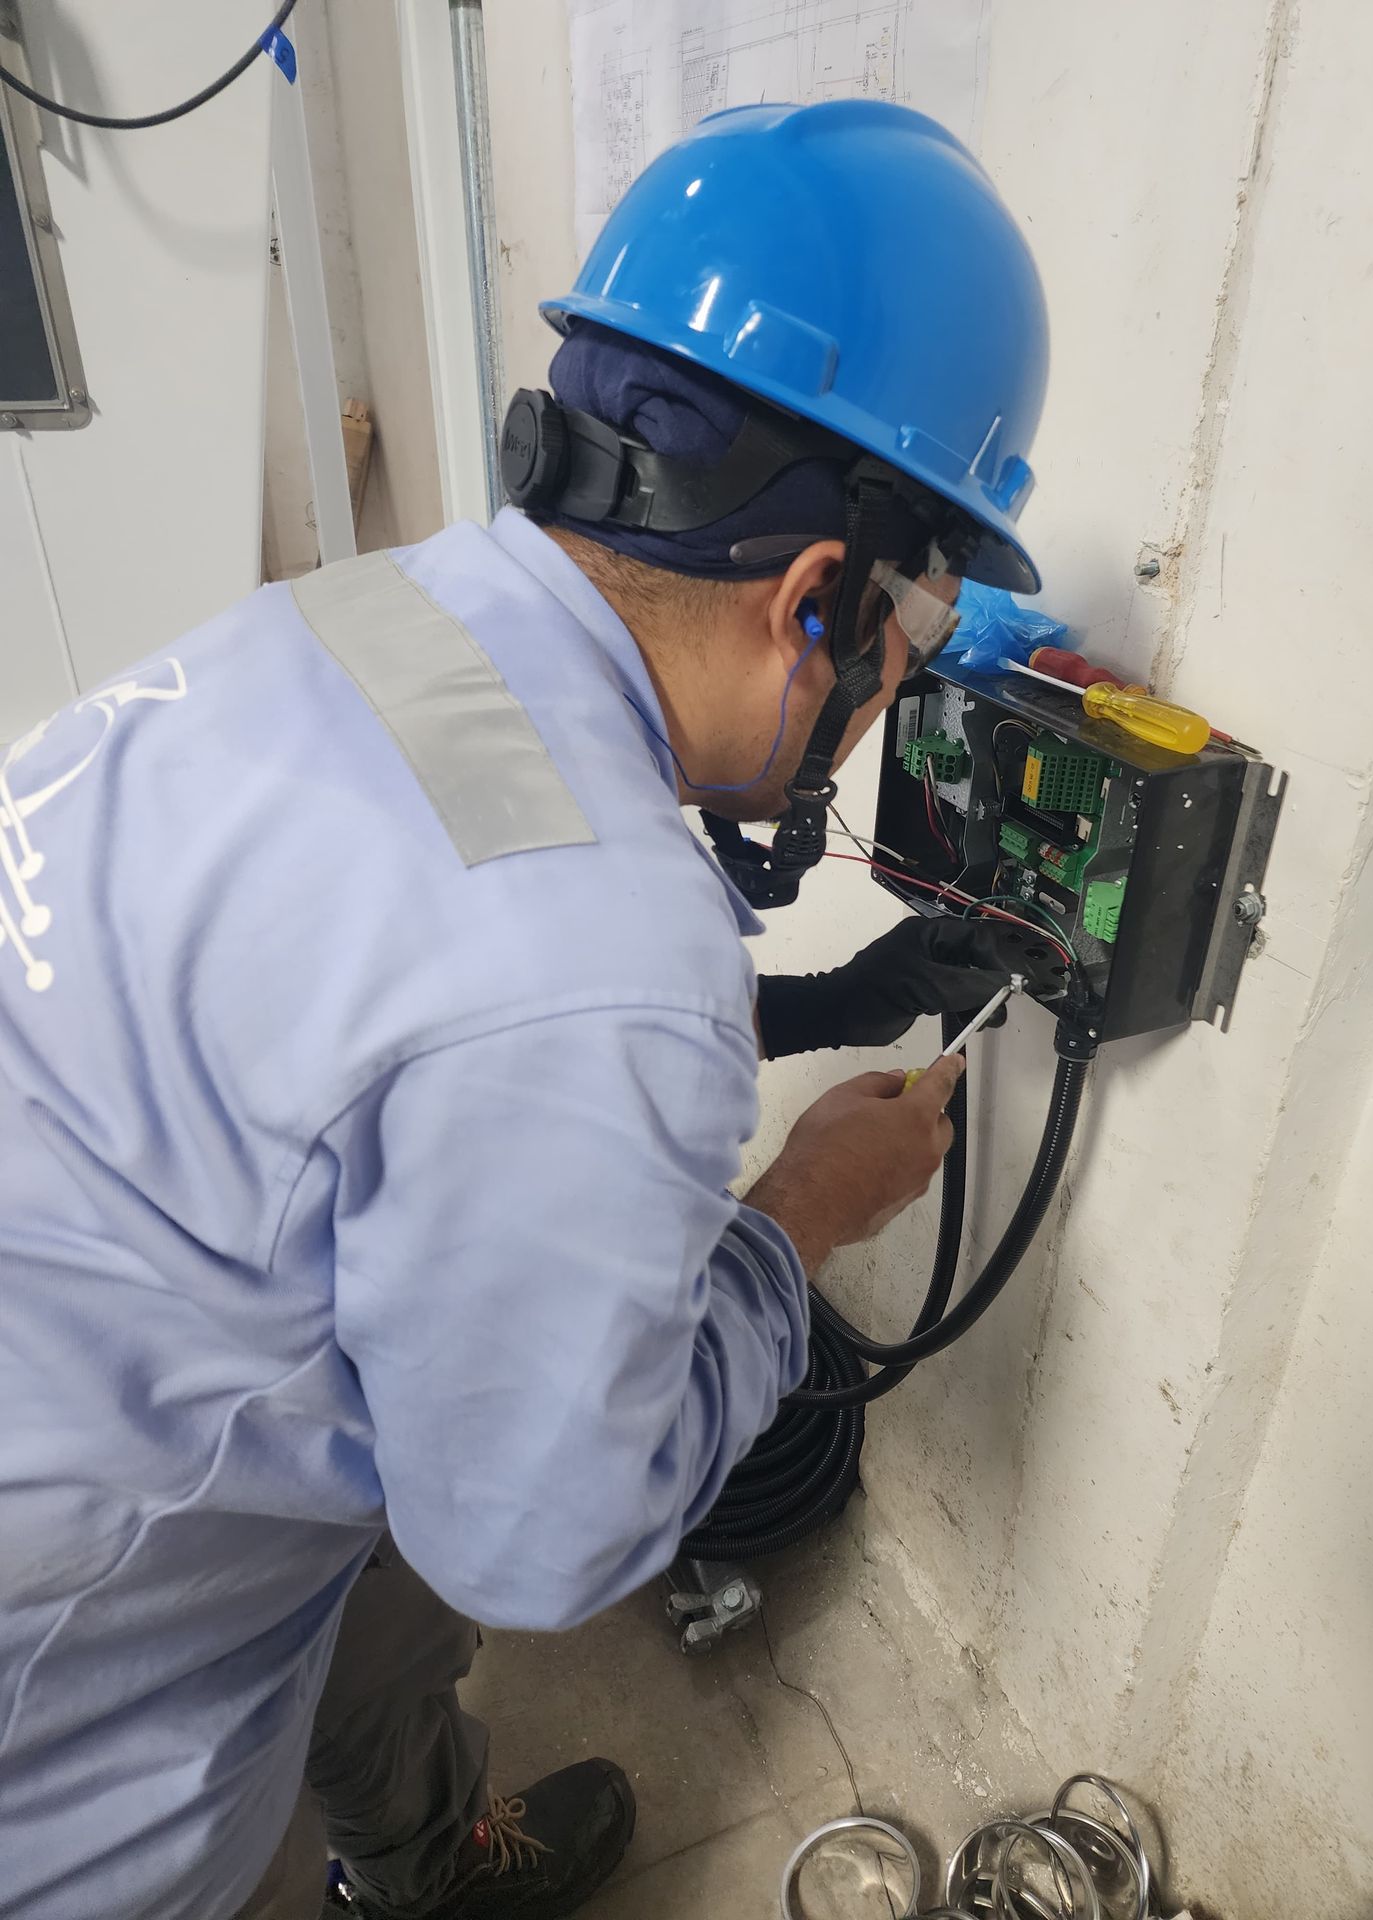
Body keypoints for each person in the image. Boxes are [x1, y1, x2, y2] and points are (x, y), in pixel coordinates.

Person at [0, 98, 1047, 1920]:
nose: (888, 702)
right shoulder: (598, 965)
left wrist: (774, 1011)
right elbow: (541, 1536)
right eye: (902, 650)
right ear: (814, 597)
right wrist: (794, 1219)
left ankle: (414, 1856)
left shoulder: (342, 624)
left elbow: (403, 1020)